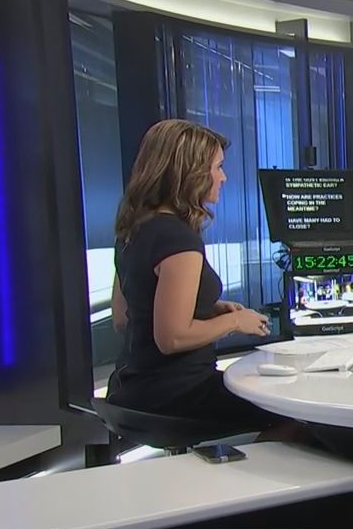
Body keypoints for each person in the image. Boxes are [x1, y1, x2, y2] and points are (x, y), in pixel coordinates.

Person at [106, 119, 292, 432]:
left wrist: (208, 308)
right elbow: (172, 338)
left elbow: (124, 318)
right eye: (217, 167)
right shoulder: (178, 240)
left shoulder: (132, 231)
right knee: (293, 413)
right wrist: (236, 321)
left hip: (130, 391)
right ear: (189, 173)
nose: (223, 177)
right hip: (178, 395)